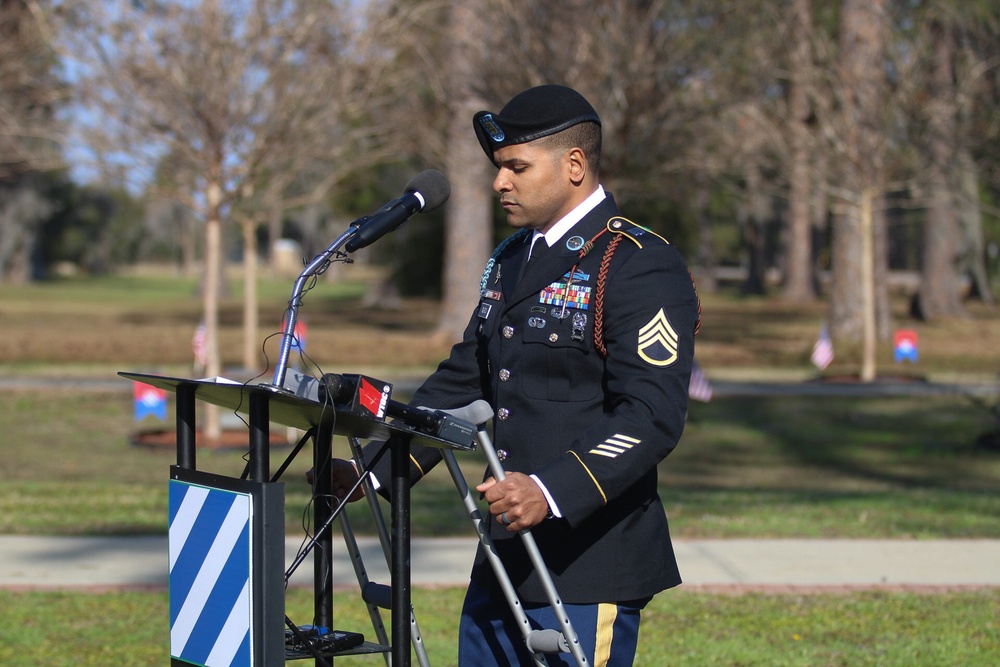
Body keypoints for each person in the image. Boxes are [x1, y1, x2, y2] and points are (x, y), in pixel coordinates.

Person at [324, 84, 700, 666]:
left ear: (574, 165)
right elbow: (465, 379)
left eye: (517, 168)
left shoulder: (637, 263)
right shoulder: (511, 258)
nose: (500, 183)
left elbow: (651, 414)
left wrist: (550, 490)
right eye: (500, 168)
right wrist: (372, 473)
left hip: (585, 561)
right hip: (505, 558)